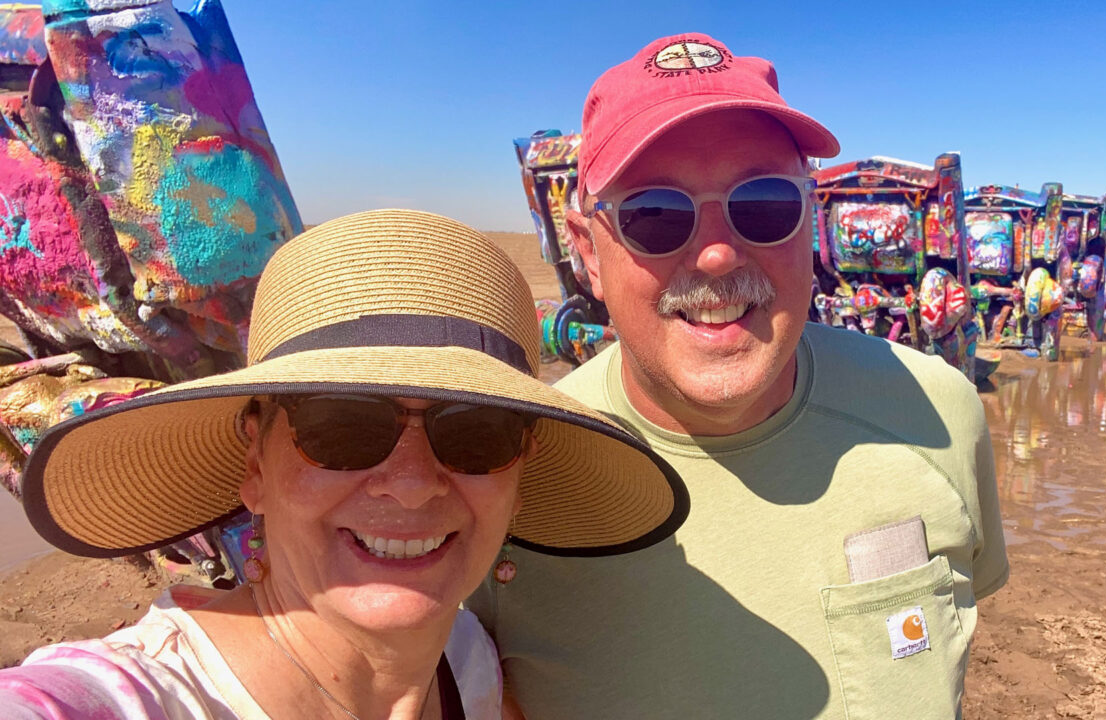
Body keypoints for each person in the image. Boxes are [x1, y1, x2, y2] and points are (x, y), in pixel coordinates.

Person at [468, 33, 1009, 720]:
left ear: (809, 222)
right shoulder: (507, 479)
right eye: (655, 214)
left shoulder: (937, 414)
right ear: (588, 254)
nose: (719, 254)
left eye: (764, 204)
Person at [0, 210, 687, 719]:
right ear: (255, 462)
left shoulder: (469, 663)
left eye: (476, 433)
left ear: (517, 478)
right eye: (341, 426)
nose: (412, 485)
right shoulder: (132, 700)